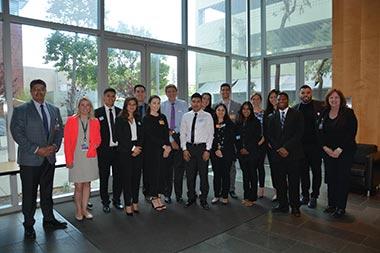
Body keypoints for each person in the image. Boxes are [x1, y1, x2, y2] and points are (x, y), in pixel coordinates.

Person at [10, 79, 66, 240]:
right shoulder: (21, 110)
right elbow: (17, 133)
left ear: (45, 90)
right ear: (31, 91)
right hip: (30, 161)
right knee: (29, 195)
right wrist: (37, 149)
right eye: (35, 89)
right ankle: (28, 225)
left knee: (47, 192)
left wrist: (54, 147)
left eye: (42, 89)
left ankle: (49, 220)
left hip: (49, 159)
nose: (39, 92)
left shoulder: (53, 109)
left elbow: (59, 131)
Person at [318, 89, 357, 218]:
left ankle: (341, 207)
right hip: (328, 152)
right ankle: (331, 205)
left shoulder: (348, 113)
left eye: (336, 98)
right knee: (331, 178)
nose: (334, 100)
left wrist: (340, 149)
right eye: (331, 98)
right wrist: (325, 147)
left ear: (341, 100)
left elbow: (351, 133)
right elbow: (319, 132)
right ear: (328, 100)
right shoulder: (324, 112)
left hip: (345, 152)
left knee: (342, 179)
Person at [267, 92, 304, 217]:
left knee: (294, 182)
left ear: (287, 100)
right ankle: (283, 205)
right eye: (279, 99)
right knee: (280, 181)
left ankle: (295, 206)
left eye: (283, 98)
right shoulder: (272, 117)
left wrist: (286, 147)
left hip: (293, 154)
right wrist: (279, 148)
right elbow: (269, 136)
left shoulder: (297, 114)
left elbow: (299, 133)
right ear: (276, 101)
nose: (281, 100)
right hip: (278, 156)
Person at [64, 97, 101, 221]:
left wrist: (94, 144)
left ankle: (84, 209)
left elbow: (98, 139)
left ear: (90, 107)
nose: (85, 107)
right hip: (76, 156)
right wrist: (68, 159)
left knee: (87, 184)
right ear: (78, 107)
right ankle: (78, 210)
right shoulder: (71, 120)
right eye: (82, 105)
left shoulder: (95, 121)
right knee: (78, 185)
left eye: (87, 105)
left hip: (89, 156)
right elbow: (67, 142)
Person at [180, 93, 214, 210]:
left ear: (201, 102)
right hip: (189, 148)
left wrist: (207, 150)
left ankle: (203, 199)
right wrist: (184, 149)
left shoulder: (208, 116)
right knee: (190, 176)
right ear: (191, 102)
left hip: (202, 149)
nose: (195, 104)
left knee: (204, 176)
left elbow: (211, 135)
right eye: (193, 101)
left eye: (198, 101)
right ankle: (191, 198)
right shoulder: (186, 116)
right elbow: (183, 134)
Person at [293, 85, 325, 208]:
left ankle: (314, 196)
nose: (305, 94)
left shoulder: (320, 106)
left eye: (308, 92)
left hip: (316, 147)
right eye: (303, 93)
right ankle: (305, 195)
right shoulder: (295, 108)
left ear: (311, 93)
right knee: (303, 172)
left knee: (317, 172)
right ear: (299, 94)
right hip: (300, 147)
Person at [95, 88, 122, 213]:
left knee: (118, 177)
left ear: (115, 98)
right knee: (104, 177)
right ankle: (105, 202)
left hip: (118, 151)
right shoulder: (96, 113)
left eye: (113, 96)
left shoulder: (121, 112)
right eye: (108, 96)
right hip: (104, 151)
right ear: (103, 97)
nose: (110, 98)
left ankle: (117, 200)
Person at [115, 97, 144, 216]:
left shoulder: (138, 118)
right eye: (129, 104)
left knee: (136, 179)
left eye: (134, 104)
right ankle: (128, 204)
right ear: (126, 105)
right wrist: (132, 148)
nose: (132, 106)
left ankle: (135, 202)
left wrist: (138, 148)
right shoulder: (120, 119)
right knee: (126, 179)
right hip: (125, 152)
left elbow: (142, 135)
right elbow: (119, 137)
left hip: (138, 151)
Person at [143, 95, 172, 211]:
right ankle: (153, 197)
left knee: (161, 174)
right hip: (151, 151)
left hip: (163, 150)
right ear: (149, 104)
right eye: (154, 103)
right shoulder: (146, 118)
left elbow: (166, 133)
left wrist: (168, 147)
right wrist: (164, 146)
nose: (156, 105)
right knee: (153, 174)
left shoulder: (162, 117)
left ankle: (158, 196)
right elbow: (150, 136)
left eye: (158, 103)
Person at [161, 85, 188, 204]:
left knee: (179, 169)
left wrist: (179, 140)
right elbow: (161, 126)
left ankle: (179, 195)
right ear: (166, 93)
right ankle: (167, 194)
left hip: (180, 136)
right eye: (168, 91)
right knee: (167, 169)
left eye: (173, 91)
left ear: (177, 92)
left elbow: (186, 122)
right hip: (167, 138)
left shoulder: (183, 104)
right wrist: (171, 139)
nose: (171, 93)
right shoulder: (162, 106)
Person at [236, 102, 262, 207]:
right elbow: (236, 137)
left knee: (252, 175)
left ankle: (252, 197)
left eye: (248, 109)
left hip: (252, 153)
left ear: (251, 110)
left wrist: (247, 149)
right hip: (241, 154)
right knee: (245, 176)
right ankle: (246, 196)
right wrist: (240, 149)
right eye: (244, 109)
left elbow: (257, 138)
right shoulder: (239, 122)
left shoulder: (256, 122)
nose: (246, 111)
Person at [210, 103, 236, 205]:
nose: (220, 112)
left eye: (223, 110)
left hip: (227, 153)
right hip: (214, 153)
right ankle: (216, 195)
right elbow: (209, 137)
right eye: (218, 110)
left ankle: (225, 196)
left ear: (226, 112)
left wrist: (222, 151)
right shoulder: (211, 123)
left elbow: (231, 140)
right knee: (217, 174)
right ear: (215, 111)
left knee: (226, 175)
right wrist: (216, 149)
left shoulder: (230, 124)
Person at [219, 83, 241, 199]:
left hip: (232, 142)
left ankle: (231, 189)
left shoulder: (237, 106)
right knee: (220, 166)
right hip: (219, 141)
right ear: (220, 92)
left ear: (230, 91)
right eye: (223, 90)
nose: (225, 92)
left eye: (227, 90)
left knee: (232, 166)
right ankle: (223, 189)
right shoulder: (215, 105)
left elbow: (239, 123)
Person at [134, 84, 149, 199]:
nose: (140, 94)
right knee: (135, 172)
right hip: (135, 145)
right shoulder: (130, 108)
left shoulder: (150, 107)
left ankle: (147, 193)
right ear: (134, 93)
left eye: (142, 92)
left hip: (149, 145)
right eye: (138, 91)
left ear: (145, 94)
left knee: (148, 171)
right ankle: (133, 197)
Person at [263, 89, 279, 201]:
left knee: (284, 171)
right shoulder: (267, 112)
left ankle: (286, 191)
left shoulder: (286, 111)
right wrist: (268, 142)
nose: (273, 99)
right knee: (274, 170)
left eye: (275, 97)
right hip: (271, 146)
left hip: (284, 146)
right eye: (271, 97)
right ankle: (277, 192)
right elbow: (265, 129)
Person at [250, 92, 266, 198]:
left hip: (261, 143)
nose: (255, 101)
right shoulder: (248, 113)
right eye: (253, 99)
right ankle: (253, 187)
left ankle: (261, 188)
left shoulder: (264, 113)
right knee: (252, 167)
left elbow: (266, 128)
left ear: (260, 100)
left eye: (257, 99)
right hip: (251, 145)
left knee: (260, 166)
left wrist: (261, 140)